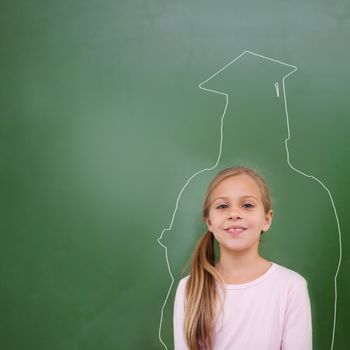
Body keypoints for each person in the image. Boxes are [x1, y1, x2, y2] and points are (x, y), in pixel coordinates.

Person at [173, 166, 312, 350]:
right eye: (222, 206)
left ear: (267, 220)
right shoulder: (190, 288)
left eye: (247, 205)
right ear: (209, 222)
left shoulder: (290, 287)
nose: (234, 214)